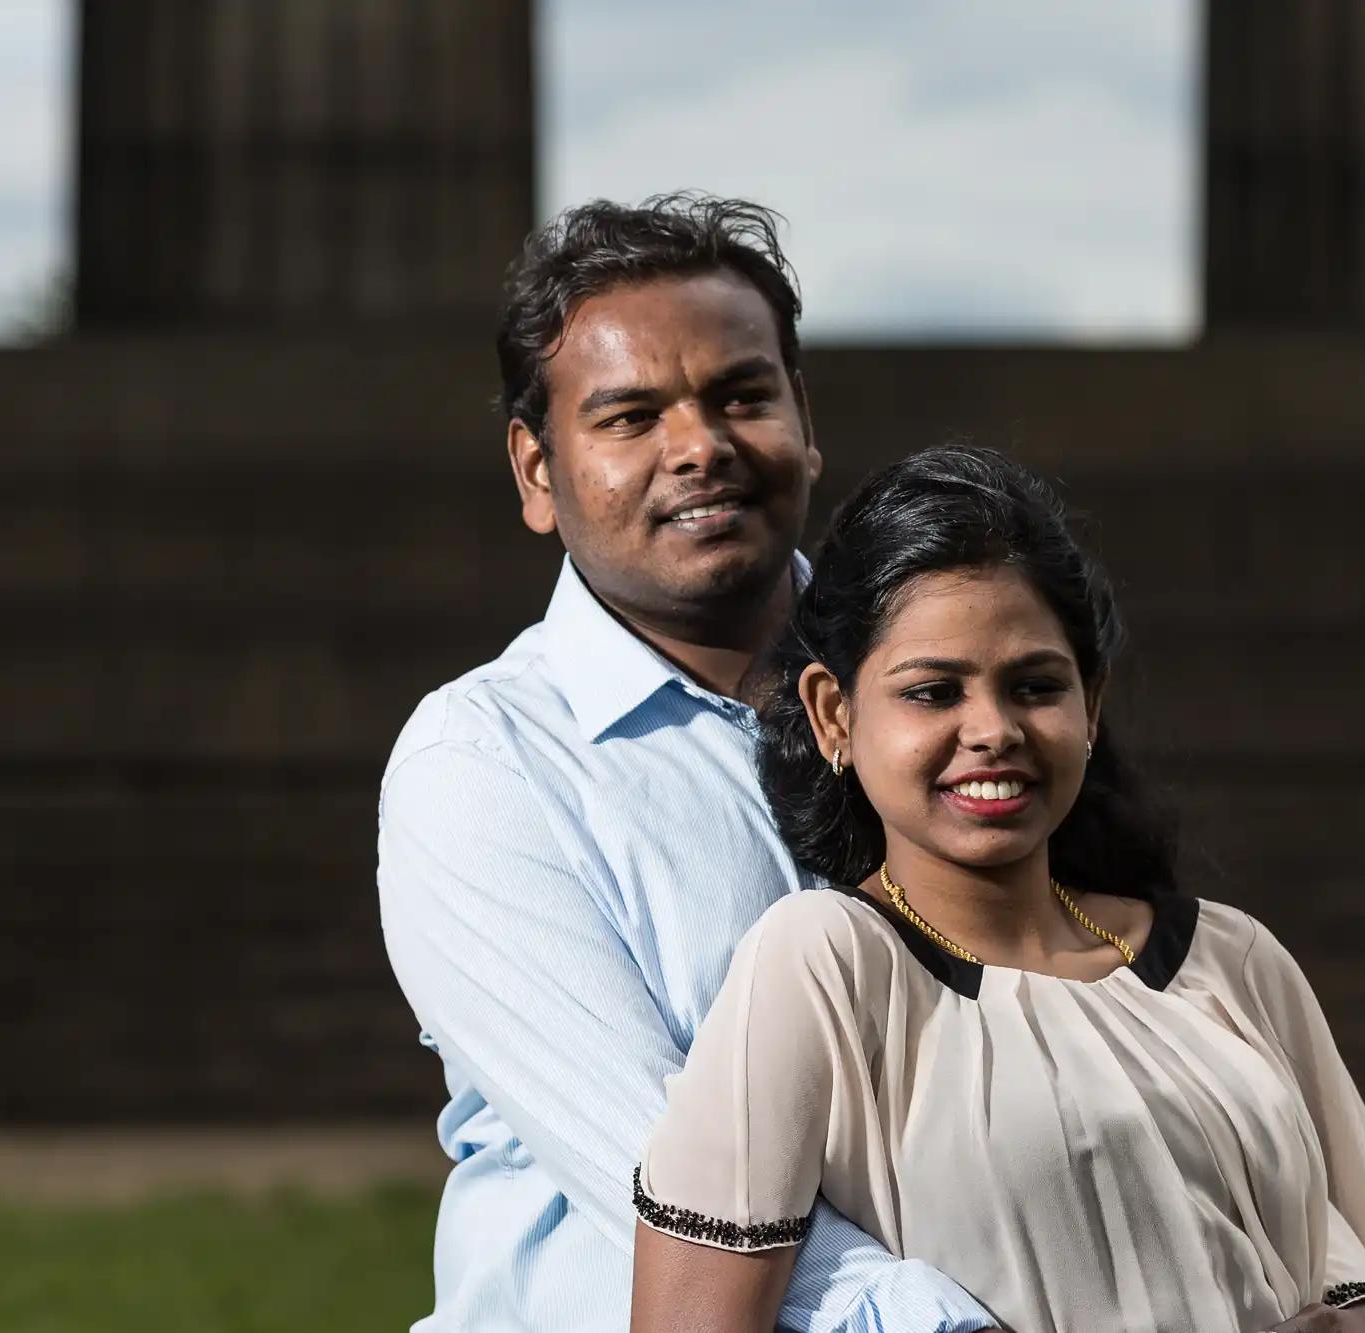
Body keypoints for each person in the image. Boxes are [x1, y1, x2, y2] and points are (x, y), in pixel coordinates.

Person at [628, 447, 1365, 1333]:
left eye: (1034, 686)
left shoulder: (1232, 956)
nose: (992, 730)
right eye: (934, 691)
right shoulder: (825, 962)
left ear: (1089, 704)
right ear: (835, 712)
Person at [377, 196, 1001, 1332]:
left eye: (740, 396)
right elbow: (678, 1188)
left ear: (803, 418)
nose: (699, 446)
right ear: (535, 469)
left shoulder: (967, 692)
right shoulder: (483, 767)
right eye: (627, 415)